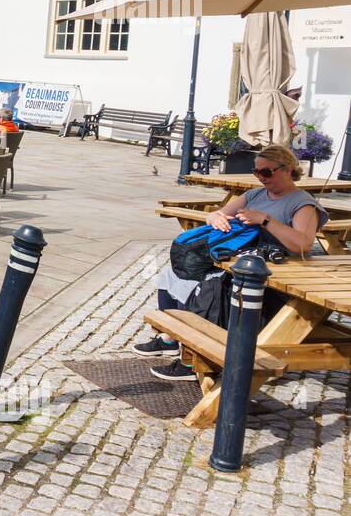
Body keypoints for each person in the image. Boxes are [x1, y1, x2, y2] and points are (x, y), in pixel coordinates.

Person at [135, 144, 328, 382]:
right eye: (256, 172)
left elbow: (302, 245)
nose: (260, 177)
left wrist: (265, 220)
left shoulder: (302, 204)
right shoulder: (255, 194)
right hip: (235, 258)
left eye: (266, 172)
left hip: (265, 273)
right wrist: (215, 217)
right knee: (172, 274)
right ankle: (170, 339)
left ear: (287, 169)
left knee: (209, 289)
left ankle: (196, 358)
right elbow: (219, 214)